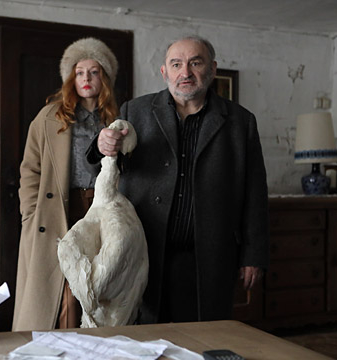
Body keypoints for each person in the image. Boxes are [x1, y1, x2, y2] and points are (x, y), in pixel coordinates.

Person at [91, 35, 269, 324]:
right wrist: (102, 145)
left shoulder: (240, 122)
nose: (185, 72)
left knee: (204, 337)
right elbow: (103, 166)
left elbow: (255, 194)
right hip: (146, 253)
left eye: (195, 63)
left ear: (212, 68)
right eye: (176, 64)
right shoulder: (134, 111)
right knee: (145, 338)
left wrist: (254, 254)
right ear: (164, 72)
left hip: (209, 257)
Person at [13, 37, 119, 331]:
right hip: (58, 209)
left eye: (94, 72)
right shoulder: (49, 117)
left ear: (104, 77)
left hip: (99, 209)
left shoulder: (117, 118)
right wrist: (31, 213)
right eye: (80, 72)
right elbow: (30, 168)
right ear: (71, 78)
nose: (86, 79)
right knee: (62, 290)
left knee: (94, 284)